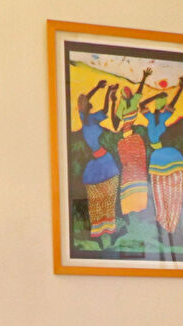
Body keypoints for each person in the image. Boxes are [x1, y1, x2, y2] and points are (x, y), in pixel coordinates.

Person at [143, 76, 183, 237]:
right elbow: (142, 105)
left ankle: (171, 224)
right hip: (158, 155)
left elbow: (174, 102)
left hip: (165, 155)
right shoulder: (150, 117)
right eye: (158, 104)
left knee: (170, 189)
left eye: (160, 105)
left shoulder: (163, 117)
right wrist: (155, 96)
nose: (158, 107)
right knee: (158, 191)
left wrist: (181, 88)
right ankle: (163, 223)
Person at [75, 79, 120, 240]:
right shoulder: (84, 118)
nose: (88, 104)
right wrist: (96, 88)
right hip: (99, 161)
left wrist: (108, 92)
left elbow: (106, 109)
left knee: (109, 194)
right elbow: (84, 100)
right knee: (97, 198)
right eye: (87, 104)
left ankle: (109, 229)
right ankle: (98, 231)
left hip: (105, 158)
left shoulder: (94, 118)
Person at [113, 67, 153, 218]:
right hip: (127, 138)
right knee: (129, 170)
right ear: (124, 96)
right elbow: (116, 122)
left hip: (132, 138)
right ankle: (130, 204)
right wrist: (113, 101)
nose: (128, 94)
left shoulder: (134, 101)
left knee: (139, 169)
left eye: (128, 92)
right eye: (126, 93)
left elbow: (139, 91)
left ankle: (139, 202)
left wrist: (144, 77)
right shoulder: (123, 105)